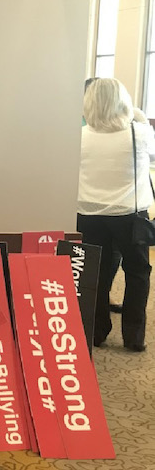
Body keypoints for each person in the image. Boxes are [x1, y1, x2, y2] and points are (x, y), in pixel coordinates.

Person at [77, 78, 153, 352]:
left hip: (86, 213)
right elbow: (141, 121)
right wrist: (134, 114)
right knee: (138, 272)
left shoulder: (78, 137)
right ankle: (133, 336)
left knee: (94, 273)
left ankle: (96, 332)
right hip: (129, 216)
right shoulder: (139, 134)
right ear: (124, 103)